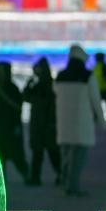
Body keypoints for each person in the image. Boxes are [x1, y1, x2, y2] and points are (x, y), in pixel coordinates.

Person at [54, 44, 105, 197]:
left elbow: (55, 95)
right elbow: (95, 101)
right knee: (78, 159)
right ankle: (72, 187)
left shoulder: (60, 76)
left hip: (63, 123)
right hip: (82, 124)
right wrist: (102, 120)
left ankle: (65, 183)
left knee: (65, 157)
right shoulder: (88, 76)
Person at [0, 62, 28, 182]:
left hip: (9, 128)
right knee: (0, 156)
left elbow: (17, 106)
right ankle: (2, 180)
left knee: (15, 155)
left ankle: (26, 174)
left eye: (1, 72)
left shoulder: (11, 88)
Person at [23, 57, 61, 186]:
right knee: (49, 152)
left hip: (42, 123)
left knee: (43, 152)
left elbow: (27, 98)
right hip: (45, 123)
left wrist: (29, 84)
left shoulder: (43, 85)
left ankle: (37, 177)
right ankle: (60, 174)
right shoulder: (47, 84)